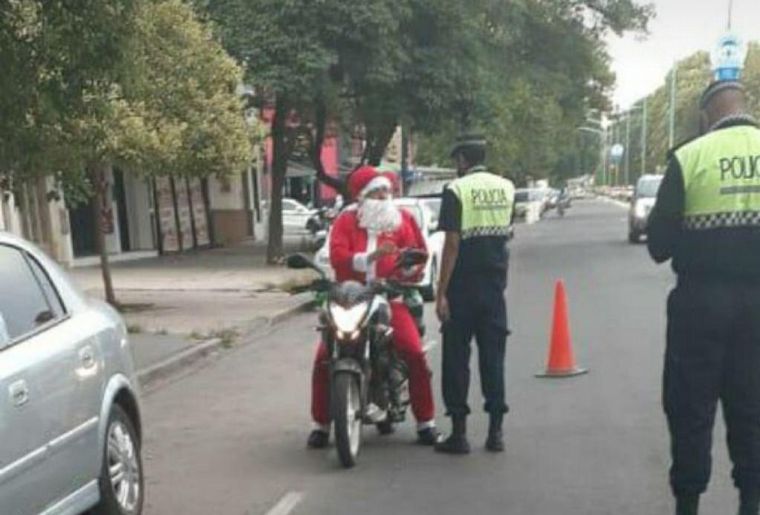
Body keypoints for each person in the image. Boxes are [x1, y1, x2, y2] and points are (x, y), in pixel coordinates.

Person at [648, 80, 760, 515]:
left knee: (690, 407)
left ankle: (688, 503)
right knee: (752, 407)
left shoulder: (691, 156)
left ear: (705, 114)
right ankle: (751, 502)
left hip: (700, 304)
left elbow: (659, 245)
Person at [307, 166, 440, 448]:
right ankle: (321, 425)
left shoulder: (402, 220)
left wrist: (407, 271)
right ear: (363, 196)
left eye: (386, 191)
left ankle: (426, 422)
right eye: (376, 191)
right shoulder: (346, 220)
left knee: (414, 353)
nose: (382, 196)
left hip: (388, 299)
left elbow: (418, 255)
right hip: (349, 297)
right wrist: (372, 257)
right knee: (322, 358)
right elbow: (338, 256)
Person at [434, 134, 515, 454]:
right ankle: (496, 432)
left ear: (462, 160)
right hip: (493, 288)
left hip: (462, 288)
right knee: (493, 359)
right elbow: (504, 238)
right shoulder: (506, 188)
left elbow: (452, 244)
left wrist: (441, 292)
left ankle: (459, 433)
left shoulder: (456, 190)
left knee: (456, 360)